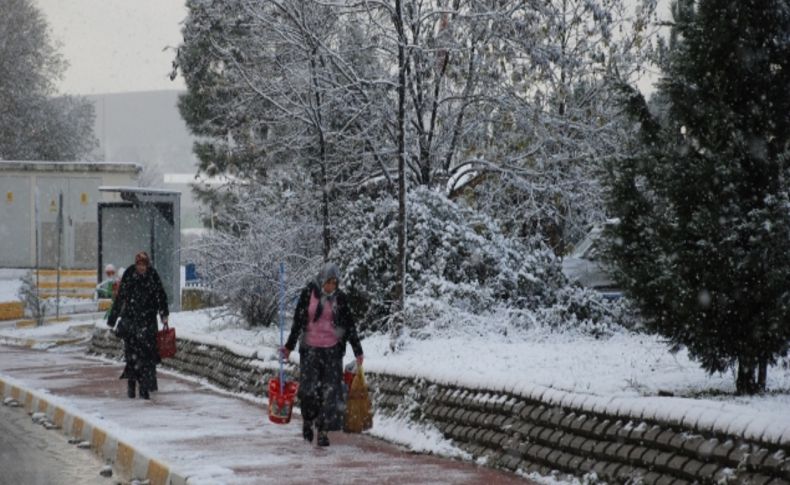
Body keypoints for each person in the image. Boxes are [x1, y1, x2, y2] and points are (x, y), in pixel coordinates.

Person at [281, 263, 364, 447]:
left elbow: (349, 326)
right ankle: (308, 420)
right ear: (321, 280)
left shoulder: (340, 299)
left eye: (334, 283)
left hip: (332, 351)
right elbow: (297, 321)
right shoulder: (308, 293)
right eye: (328, 282)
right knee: (309, 391)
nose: (331, 287)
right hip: (310, 349)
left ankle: (323, 430)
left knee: (330, 392)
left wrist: (357, 350)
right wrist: (289, 346)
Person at [106, 251, 169, 400]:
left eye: (144, 265)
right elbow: (120, 297)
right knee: (132, 356)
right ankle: (131, 385)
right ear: (136, 264)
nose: (141, 268)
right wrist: (112, 320)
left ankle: (144, 388)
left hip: (148, 322)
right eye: (139, 265)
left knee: (147, 357)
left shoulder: (152, 275)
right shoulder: (129, 274)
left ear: (147, 265)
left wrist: (164, 315)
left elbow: (161, 295)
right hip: (131, 322)